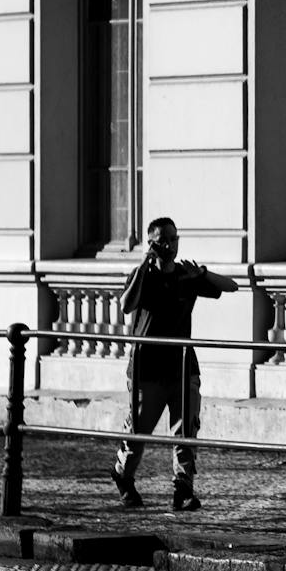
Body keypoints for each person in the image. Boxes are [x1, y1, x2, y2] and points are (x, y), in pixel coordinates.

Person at [110, 217, 238, 511]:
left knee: (185, 432)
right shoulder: (141, 275)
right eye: (162, 240)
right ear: (151, 242)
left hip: (182, 366)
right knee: (139, 431)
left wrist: (202, 273)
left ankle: (183, 489)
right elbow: (126, 304)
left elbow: (231, 287)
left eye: (173, 239)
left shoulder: (186, 276)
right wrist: (145, 264)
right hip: (147, 369)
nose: (169, 245)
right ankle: (122, 474)